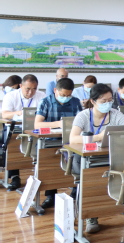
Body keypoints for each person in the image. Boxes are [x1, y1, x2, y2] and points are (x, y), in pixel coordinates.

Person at [69, 83, 124, 233]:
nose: (108, 104)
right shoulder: (83, 116)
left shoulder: (115, 114)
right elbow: (73, 139)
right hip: (86, 159)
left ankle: (122, 204)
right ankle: (91, 216)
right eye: (104, 101)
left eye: (110, 100)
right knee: (92, 179)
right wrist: (98, 137)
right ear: (93, 101)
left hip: (109, 156)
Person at [35, 77, 83, 209]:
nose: (66, 98)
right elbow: (37, 124)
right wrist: (57, 124)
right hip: (50, 141)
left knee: (77, 160)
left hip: (70, 141)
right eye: (63, 95)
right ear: (55, 90)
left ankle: (75, 191)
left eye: (68, 95)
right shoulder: (45, 101)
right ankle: (50, 195)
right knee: (49, 164)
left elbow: (82, 122)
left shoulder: (75, 102)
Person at [1, 74, 45, 191]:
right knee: (13, 147)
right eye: (28, 89)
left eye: (34, 89)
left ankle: (40, 176)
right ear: (21, 86)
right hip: (14, 128)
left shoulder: (41, 96)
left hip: (34, 129)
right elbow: (5, 114)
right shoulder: (11, 96)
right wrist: (19, 113)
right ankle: (14, 176)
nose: (31, 92)